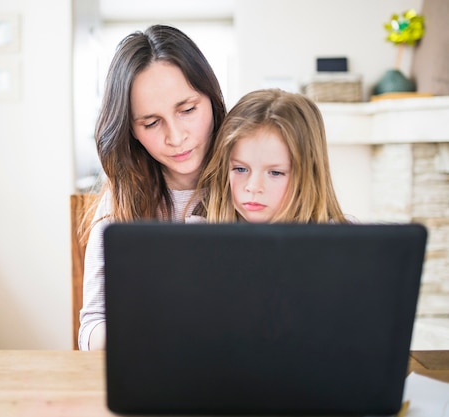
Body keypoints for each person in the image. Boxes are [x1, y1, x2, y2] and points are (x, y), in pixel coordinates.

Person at [78, 24, 226, 351]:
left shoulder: (247, 182)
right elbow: (91, 325)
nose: (176, 137)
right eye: (151, 123)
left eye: (187, 110)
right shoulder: (120, 205)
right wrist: (138, 338)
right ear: (129, 129)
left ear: (212, 100)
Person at [194, 88, 351, 224]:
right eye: (240, 169)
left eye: (275, 173)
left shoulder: (344, 240)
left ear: (309, 174)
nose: (253, 187)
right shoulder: (200, 234)